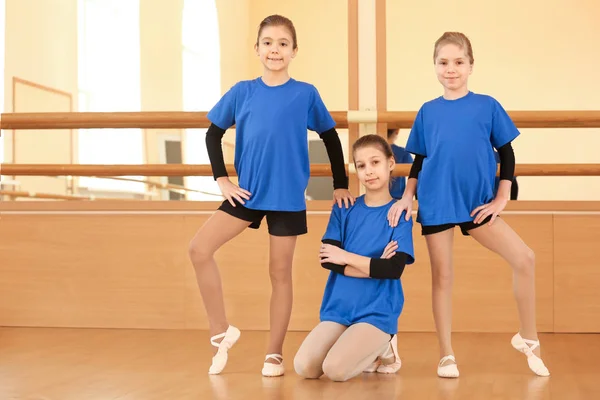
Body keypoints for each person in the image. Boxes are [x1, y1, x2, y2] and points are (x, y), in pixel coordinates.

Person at [188, 14, 354, 377]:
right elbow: (212, 134)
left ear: (294, 51)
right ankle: (221, 330)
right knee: (198, 249)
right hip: (246, 194)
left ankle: (273, 353)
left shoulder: (305, 93)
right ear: (257, 49)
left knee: (279, 273)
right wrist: (222, 179)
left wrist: (341, 183)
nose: (274, 49)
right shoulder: (242, 91)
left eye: (282, 43)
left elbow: (329, 136)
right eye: (268, 42)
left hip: (287, 197)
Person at [387, 32, 549, 378]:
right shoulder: (428, 112)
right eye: (443, 63)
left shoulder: (487, 105)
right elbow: (419, 161)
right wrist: (406, 196)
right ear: (434, 67)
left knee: (525, 258)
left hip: (477, 204)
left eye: (458, 62)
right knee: (442, 277)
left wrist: (502, 197)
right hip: (436, 202)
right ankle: (446, 354)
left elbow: (506, 152)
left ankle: (528, 337)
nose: (451, 69)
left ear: (471, 66)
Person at [294, 134, 415, 382]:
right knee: (304, 367)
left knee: (336, 371)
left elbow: (393, 269)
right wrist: (372, 265)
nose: (368, 171)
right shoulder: (344, 207)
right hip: (339, 309)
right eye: (361, 165)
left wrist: (345, 256)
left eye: (375, 162)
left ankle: (385, 346)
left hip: (376, 312)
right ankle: (359, 345)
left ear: (390, 163)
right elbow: (328, 259)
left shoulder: (400, 215)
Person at [387, 128, 414, 199]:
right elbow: (414, 172)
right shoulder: (403, 152)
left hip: (380, 196)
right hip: (398, 196)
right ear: (397, 131)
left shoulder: (377, 151)